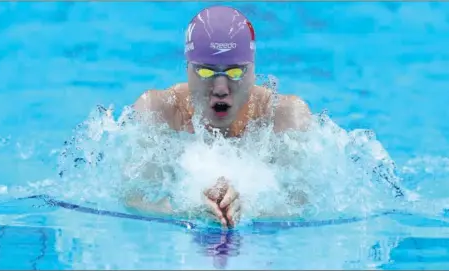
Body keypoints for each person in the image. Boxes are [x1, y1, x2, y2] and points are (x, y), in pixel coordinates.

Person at [127, 5, 312, 228]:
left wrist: (250, 208)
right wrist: (190, 209)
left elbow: (301, 207)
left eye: (235, 71)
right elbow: (134, 200)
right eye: (206, 71)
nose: (221, 88)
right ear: (188, 68)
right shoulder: (160, 111)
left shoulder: (282, 116)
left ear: (253, 69)